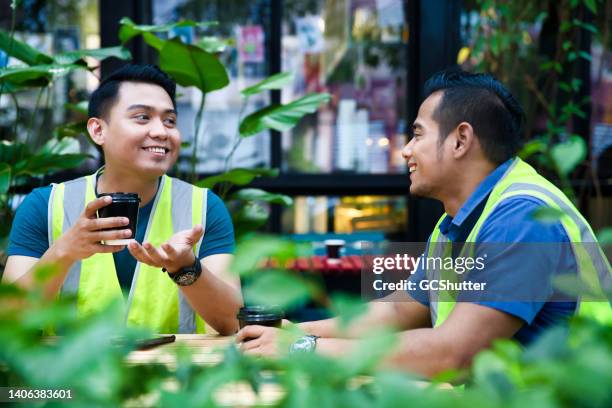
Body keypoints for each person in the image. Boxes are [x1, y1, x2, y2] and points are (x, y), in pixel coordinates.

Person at [235, 68, 611, 376]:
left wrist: (302, 349)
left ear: (461, 140)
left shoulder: (523, 218)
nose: (405, 150)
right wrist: (296, 332)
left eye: (417, 134)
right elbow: (400, 310)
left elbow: (453, 352)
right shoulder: (456, 222)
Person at [2, 64, 242, 335]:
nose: (161, 131)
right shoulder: (44, 206)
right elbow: (8, 324)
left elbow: (233, 323)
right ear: (97, 130)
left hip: (174, 373)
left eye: (170, 121)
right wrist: (64, 251)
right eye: (142, 117)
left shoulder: (205, 208)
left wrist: (186, 268)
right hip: (69, 375)